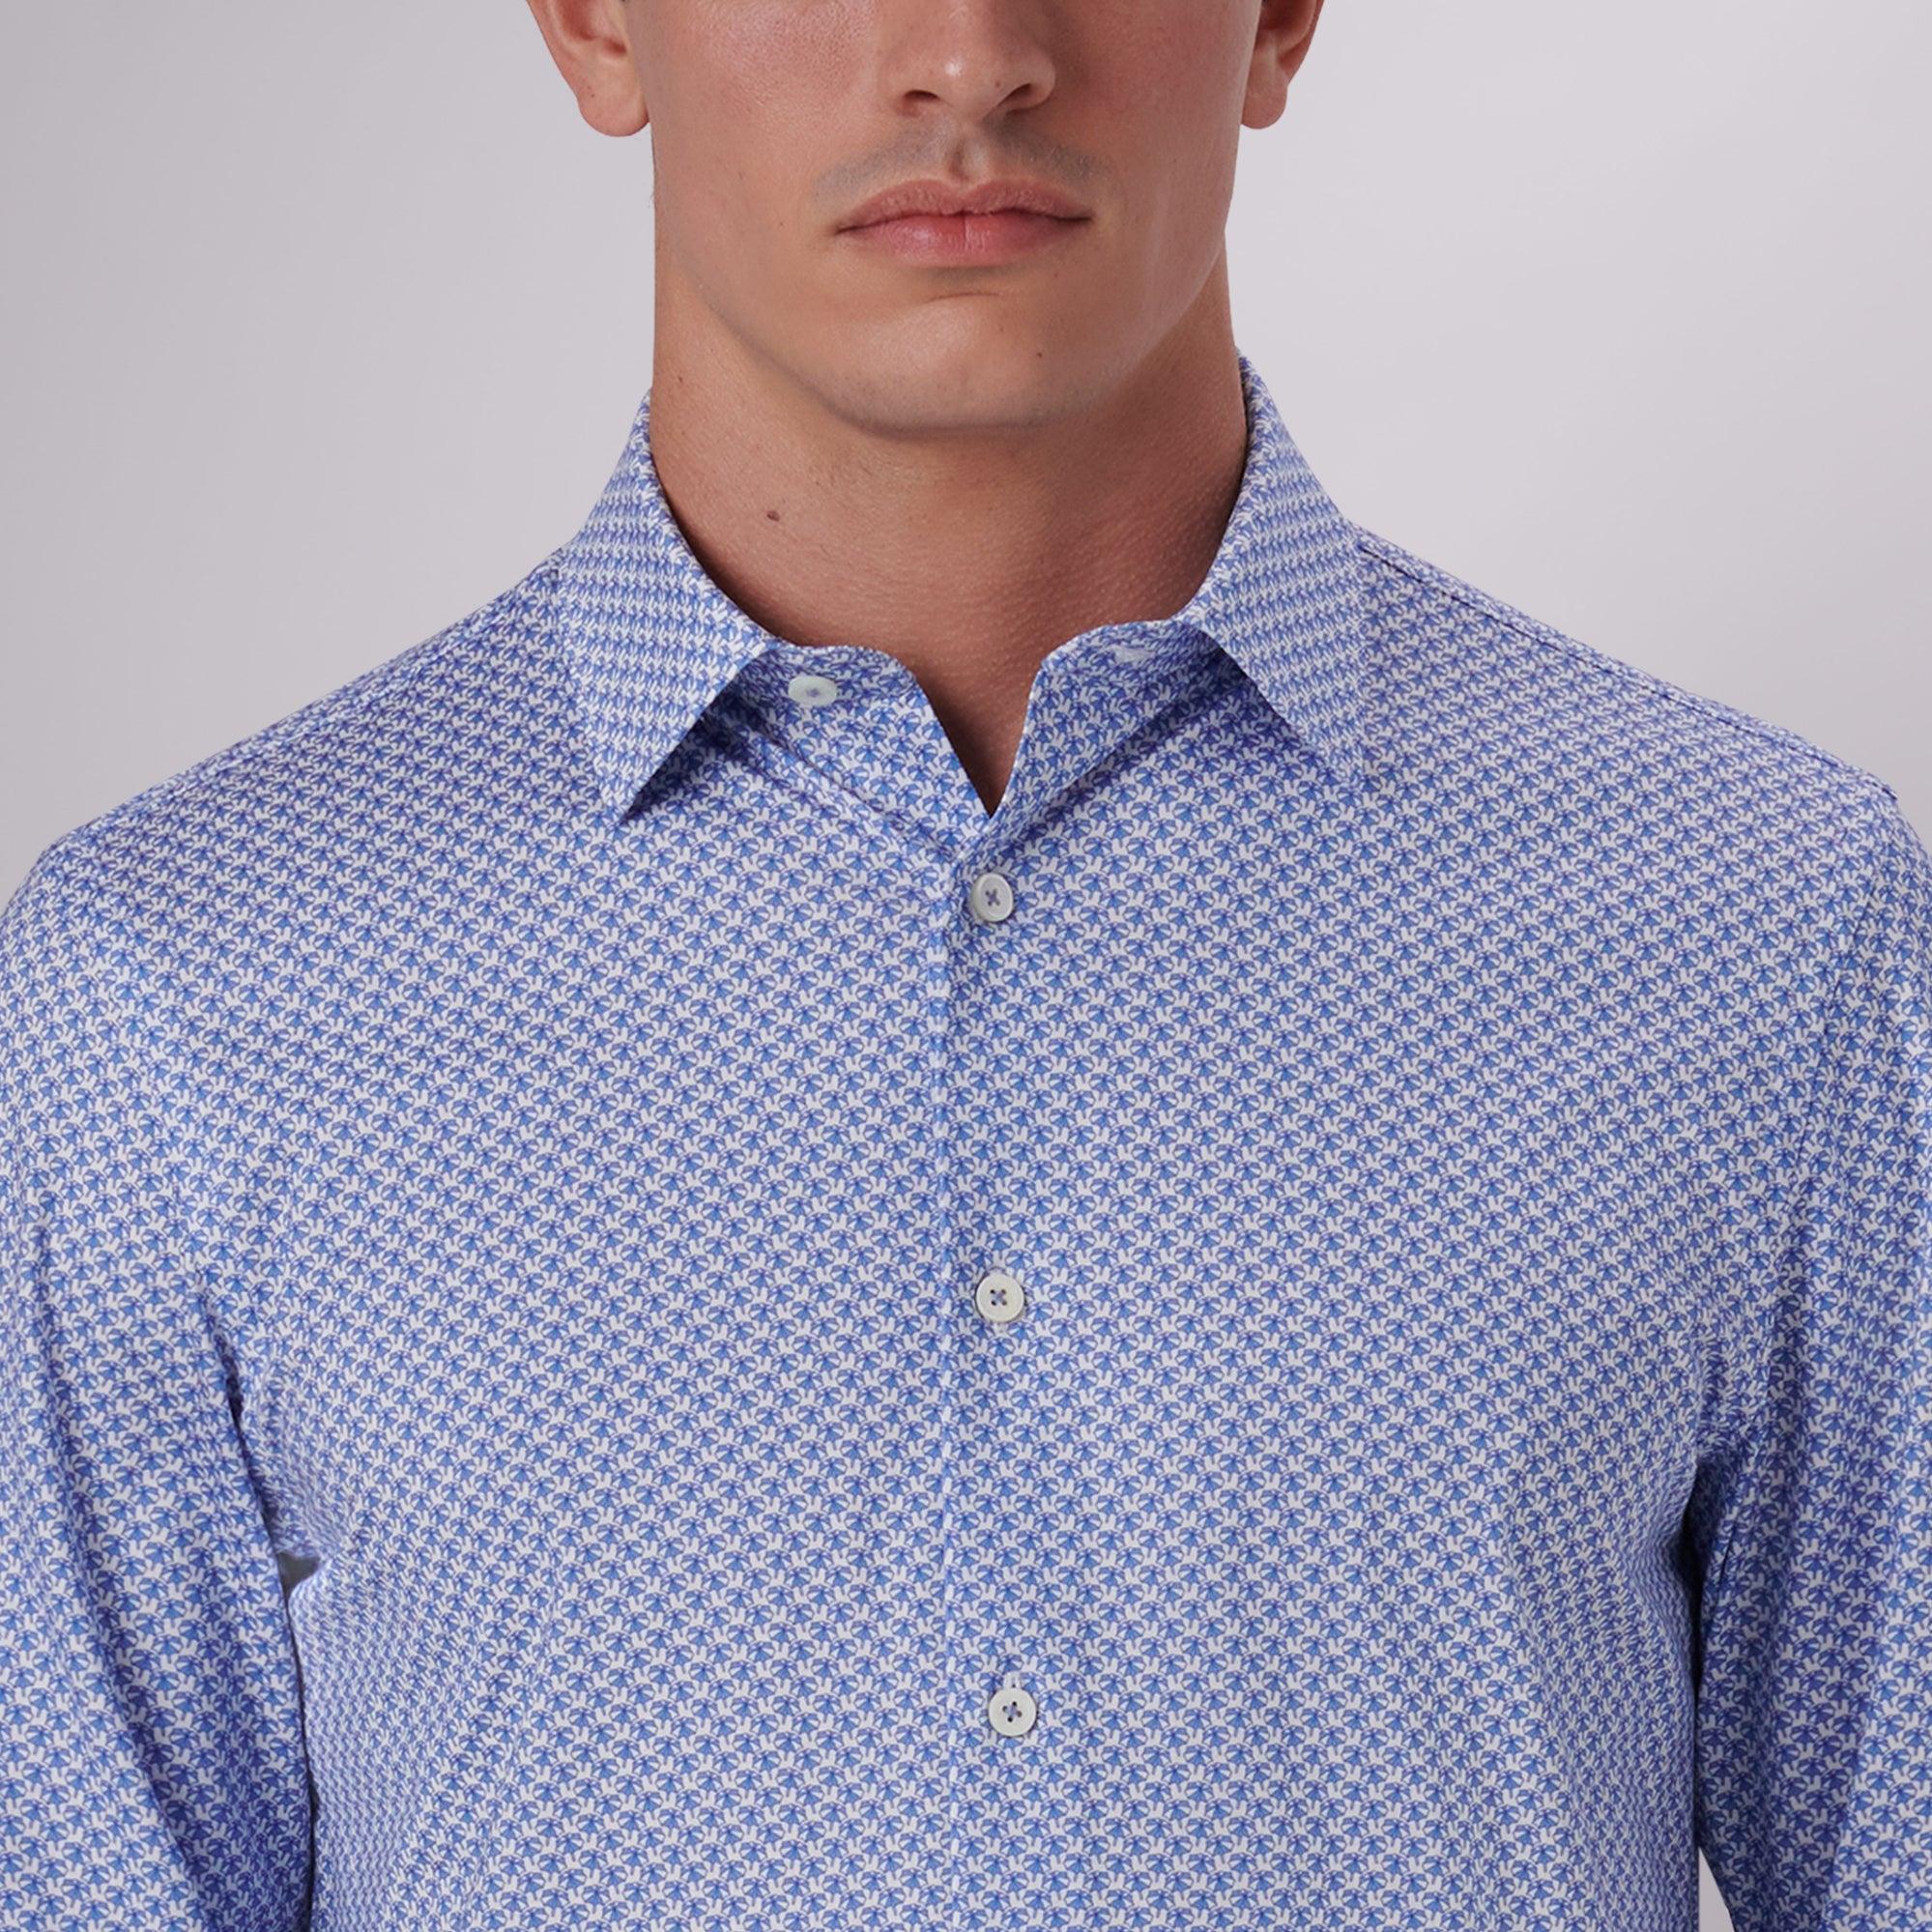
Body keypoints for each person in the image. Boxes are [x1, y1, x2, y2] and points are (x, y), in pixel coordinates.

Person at [3, 1, 1928, 1925]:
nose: (970, 52)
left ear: (1278, 15)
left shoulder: (1761, 923)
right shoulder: (173, 990)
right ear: (594, 22)